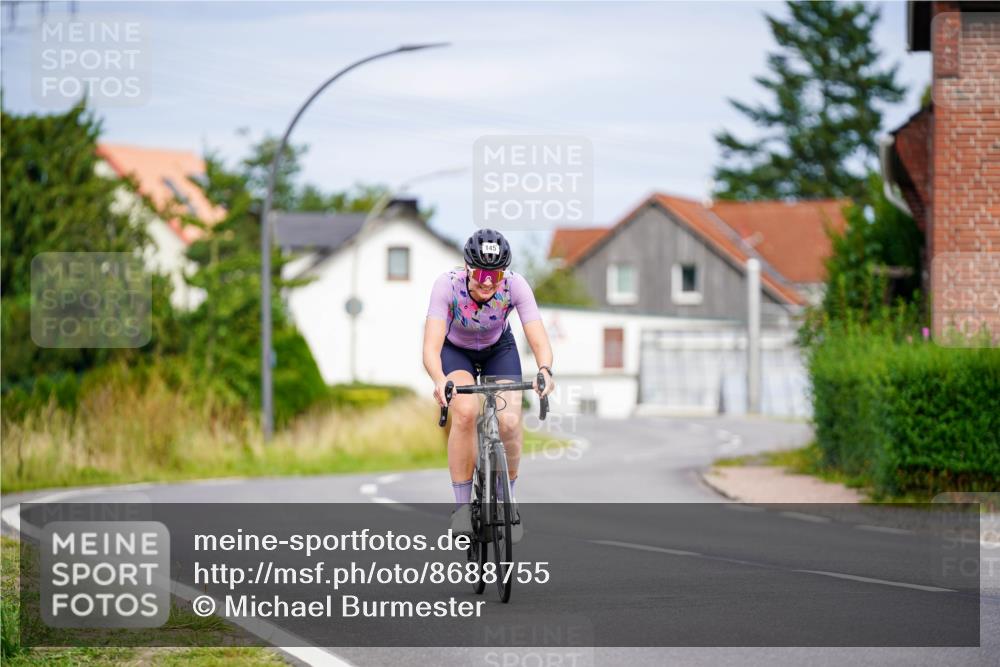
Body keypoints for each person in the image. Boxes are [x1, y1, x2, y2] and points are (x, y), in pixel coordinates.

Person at [423, 228, 555, 540]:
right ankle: (462, 509)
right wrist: (440, 380)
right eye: (481, 272)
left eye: (495, 275)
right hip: (456, 352)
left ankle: (508, 499)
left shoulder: (516, 285)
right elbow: (430, 347)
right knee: (466, 412)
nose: (487, 282)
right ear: (468, 268)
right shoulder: (447, 286)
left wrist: (545, 370)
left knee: (509, 421)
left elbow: (538, 336)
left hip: (499, 349)